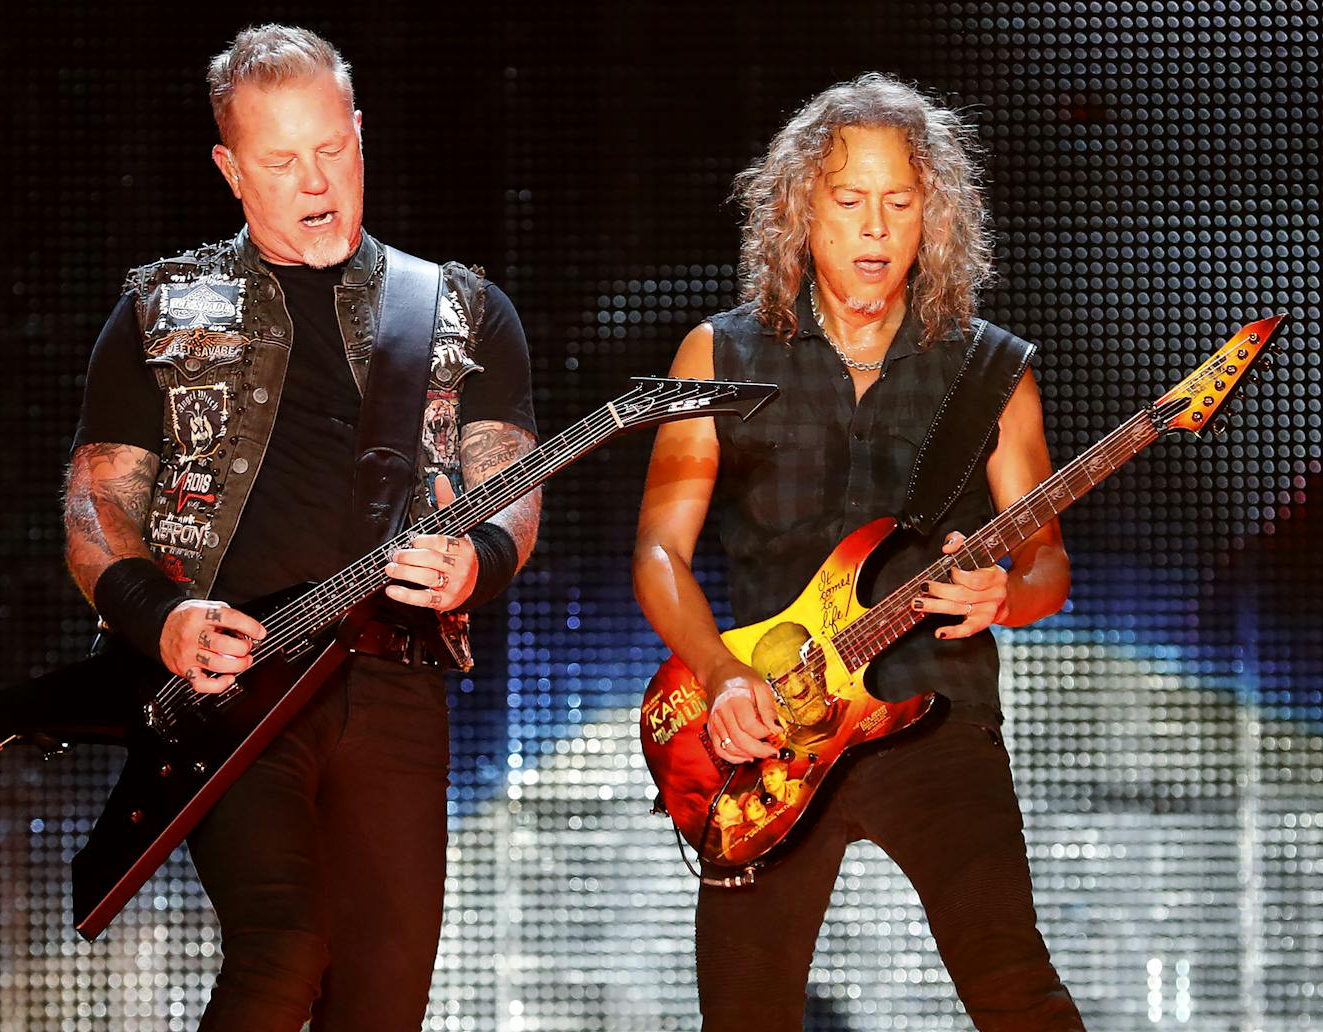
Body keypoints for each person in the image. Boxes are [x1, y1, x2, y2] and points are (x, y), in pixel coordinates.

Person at [62, 25, 539, 1031]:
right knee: (284, 946)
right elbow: (94, 513)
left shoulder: (464, 309)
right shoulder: (156, 312)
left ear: (358, 134)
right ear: (231, 171)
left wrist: (476, 561)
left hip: (396, 685)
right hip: (233, 693)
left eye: (329, 148)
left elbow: (510, 488)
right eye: (280, 161)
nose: (314, 179)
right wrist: (167, 620)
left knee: (383, 993)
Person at [632, 74, 1085, 1030]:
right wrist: (718, 678)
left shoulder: (995, 370)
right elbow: (660, 554)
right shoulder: (714, 354)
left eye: (899, 202)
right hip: (768, 732)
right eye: (848, 202)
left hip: (938, 715)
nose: (874, 229)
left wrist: (1007, 594)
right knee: (744, 1013)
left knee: (1017, 990)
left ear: (934, 216)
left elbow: (1047, 566)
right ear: (801, 209)